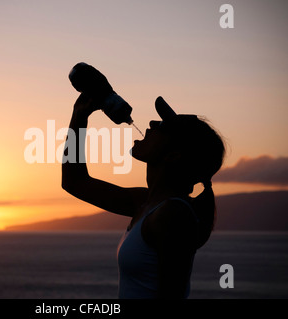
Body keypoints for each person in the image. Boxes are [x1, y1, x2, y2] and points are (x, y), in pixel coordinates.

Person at [62, 94, 226, 299]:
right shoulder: (148, 203)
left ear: (173, 155)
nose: (151, 123)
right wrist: (79, 115)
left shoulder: (173, 215)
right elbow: (74, 182)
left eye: (162, 126)